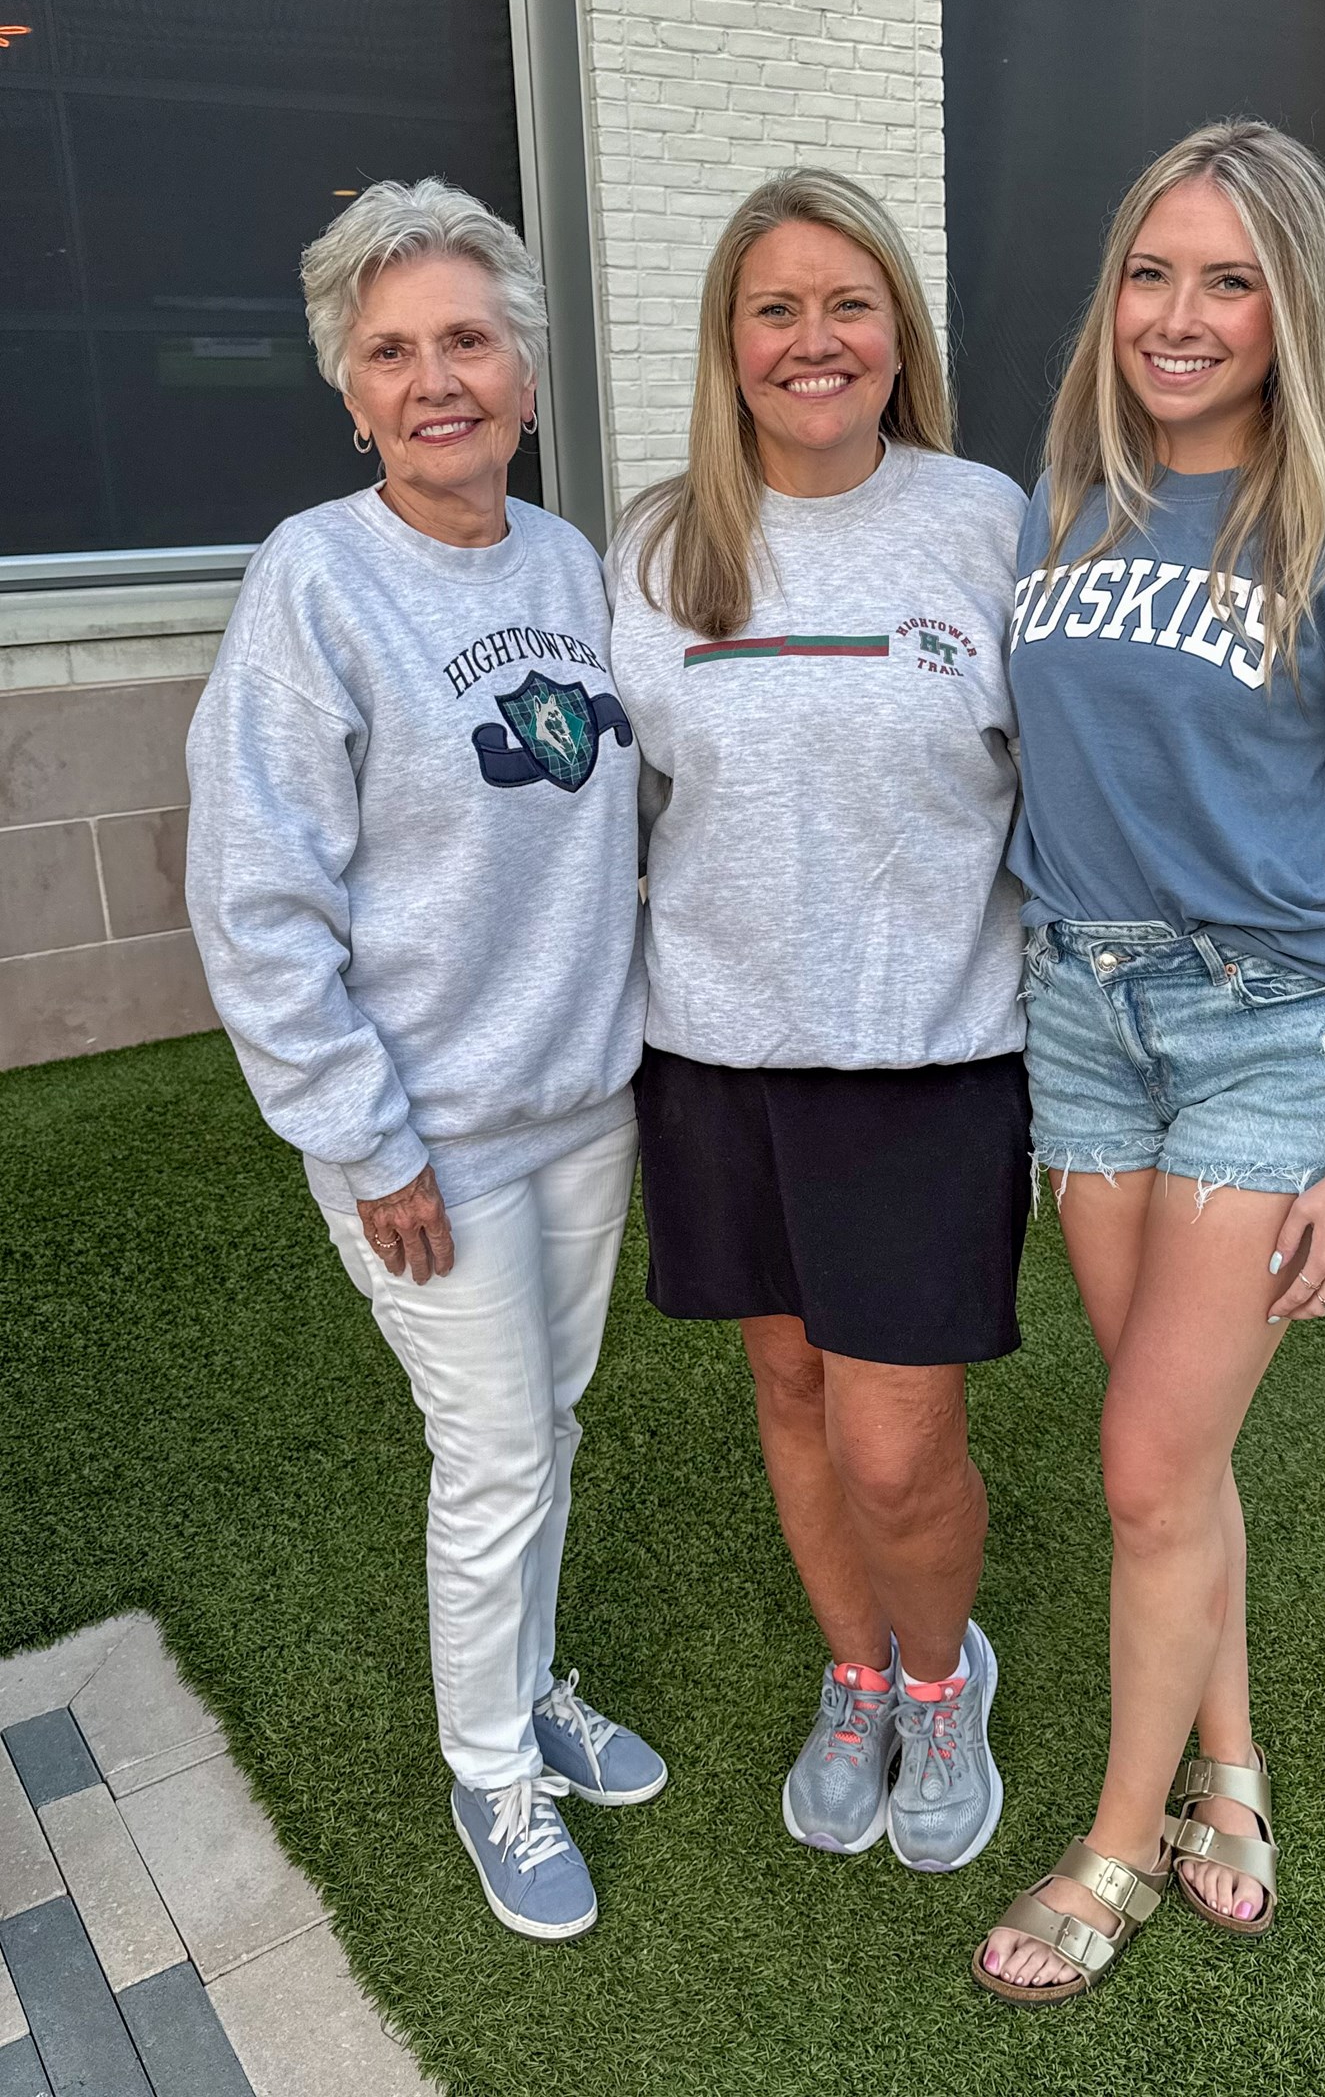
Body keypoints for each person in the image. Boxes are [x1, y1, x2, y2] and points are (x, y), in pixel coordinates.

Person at [974, 121, 1325, 2003]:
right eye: (1154, 273)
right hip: (1084, 1020)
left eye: (1231, 281)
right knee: (1166, 1460)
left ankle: (1119, 1845)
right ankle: (1235, 1771)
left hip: (1268, 1031)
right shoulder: (1060, 506)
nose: (1180, 319)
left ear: (1297, 311)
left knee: (1143, 1456)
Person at [185, 178, 665, 1944]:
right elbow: (256, 901)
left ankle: (527, 1679)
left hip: (580, 1107)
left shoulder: (568, 564)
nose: (435, 378)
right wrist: (366, 1141)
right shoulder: (315, 582)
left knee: (547, 1422)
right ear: (351, 393)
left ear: (525, 373)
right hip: (427, 1140)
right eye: (392, 353)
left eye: (466, 338)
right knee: (499, 1456)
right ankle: (490, 1767)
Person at [609, 171, 1029, 1874]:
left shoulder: (988, 519)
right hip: (713, 1058)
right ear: (728, 340)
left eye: (847, 304)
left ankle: (946, 1676)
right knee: (788, 1387)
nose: (813, 340)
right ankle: (854, 1671)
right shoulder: (653, 545)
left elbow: (1064, 783)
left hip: (926, 1065)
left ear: (900, 333)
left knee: (895, 1434)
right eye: (775, 308)